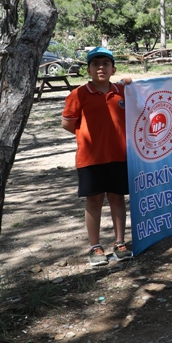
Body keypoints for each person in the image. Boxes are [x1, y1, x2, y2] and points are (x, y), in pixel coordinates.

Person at [61, 47, 133, 266]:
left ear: (113, 69)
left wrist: (129, 84)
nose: (100, 68)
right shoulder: (78, 94)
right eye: (95, 64)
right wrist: (88, 137)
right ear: (88, 70)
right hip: (90, 158)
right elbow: (67, 124)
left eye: (105, 64)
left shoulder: (122, 92)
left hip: (119, 156)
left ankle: (120, 242)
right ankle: (95, 246)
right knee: (93, 201)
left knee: (117, 197)